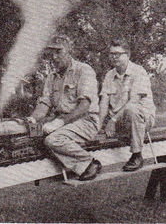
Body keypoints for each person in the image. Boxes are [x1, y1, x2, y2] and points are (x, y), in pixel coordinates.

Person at [26, 35, 102, 181]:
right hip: (64, 121)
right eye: (51, 54)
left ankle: (90, 163)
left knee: (53, 140)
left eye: (58, 52)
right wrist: (33, 118)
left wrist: (60, 122)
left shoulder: (84, 70)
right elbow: (44, 104)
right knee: (34, 136)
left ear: (69, 51)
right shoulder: (51, 77)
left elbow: (85, 105)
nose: (54, 57)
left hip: (86, 121)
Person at [99, 39, 156, 172]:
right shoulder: (109, 75)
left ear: (128, 55)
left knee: (131, 109)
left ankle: (137, 155)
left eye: (117, 54)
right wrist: (99, 124)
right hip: (120, 123)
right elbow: (104, 103)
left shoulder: (139, 71)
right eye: (111, 54)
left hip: (142, 120)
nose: (113, 57)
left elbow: (134, 101)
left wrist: (112, 121)